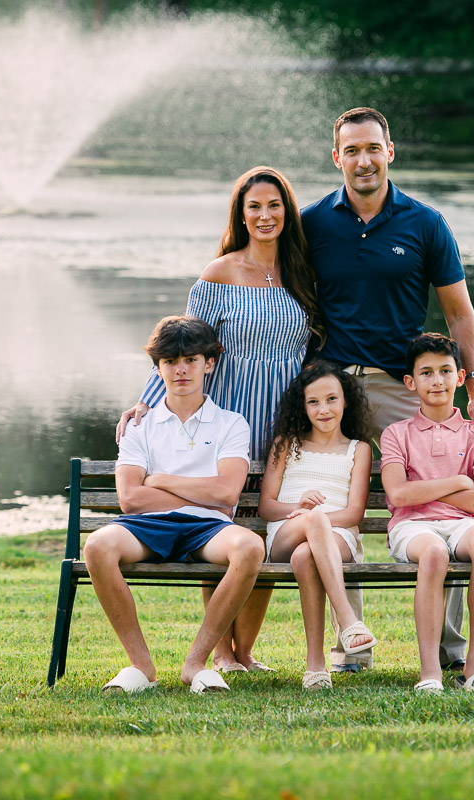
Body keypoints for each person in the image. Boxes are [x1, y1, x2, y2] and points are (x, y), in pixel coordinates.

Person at [301, 106, 474, 673]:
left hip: (400, 389)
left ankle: (449, 650)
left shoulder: (425, 223)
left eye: (373, 148)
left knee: (447, 507)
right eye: (352, 150)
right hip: (332, 391)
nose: (364, 160)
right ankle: (350, 648)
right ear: (337, 158)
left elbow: (459, 315)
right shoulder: (313, 223)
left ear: (391, 152)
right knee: (338, 513)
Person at [115, 166, 320, 672]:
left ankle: (244, 650)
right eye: (254, 207)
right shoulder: (218, 273)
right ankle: (221, 652)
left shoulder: (303, 274)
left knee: (264, 532)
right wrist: (147, 398)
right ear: (241, 214)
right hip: (229, 411)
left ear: (287, 212)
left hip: (281, 417)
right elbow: (183, 346)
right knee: (219, 524)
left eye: (274, 205)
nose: (265, 215)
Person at [84, 315, 265, 694]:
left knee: (249, 546)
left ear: (209, 363)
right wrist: (202, 489)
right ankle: (141, 668)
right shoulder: (139, 426)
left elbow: (227, 494)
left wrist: (161, 479)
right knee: (98, 546)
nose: (181, 369)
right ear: (158, 367)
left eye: (191, 360)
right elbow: (131, 498)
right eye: (170, 361)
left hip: (208, 527)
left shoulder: (231, 423)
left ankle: (195, 663)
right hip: (149, 525)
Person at [380, 333, 474, 692]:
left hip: (463, 525)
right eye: (427, 373)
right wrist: (460, 481)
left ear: (460, 378)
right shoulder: (396, 433)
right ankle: (430, 671)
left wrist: (432, 490)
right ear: (410, 382)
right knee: (433, 553)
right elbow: (399, 495)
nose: (437, 381)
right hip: (412, 526)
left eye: (445, 371)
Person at [258, 361, 377, 689]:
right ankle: (348, 622)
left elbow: (354, 513)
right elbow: (266, 506)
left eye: (331, 399)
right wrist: (299, 509)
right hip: (285, 532)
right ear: (303, 406)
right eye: (313, 402)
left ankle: (316, 667)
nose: (323, 409)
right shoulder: (287, 444)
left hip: (338, 537)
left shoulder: (359, 449)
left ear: (345, 401)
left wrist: (318, 521)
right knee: (310, 524)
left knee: (305, 556)